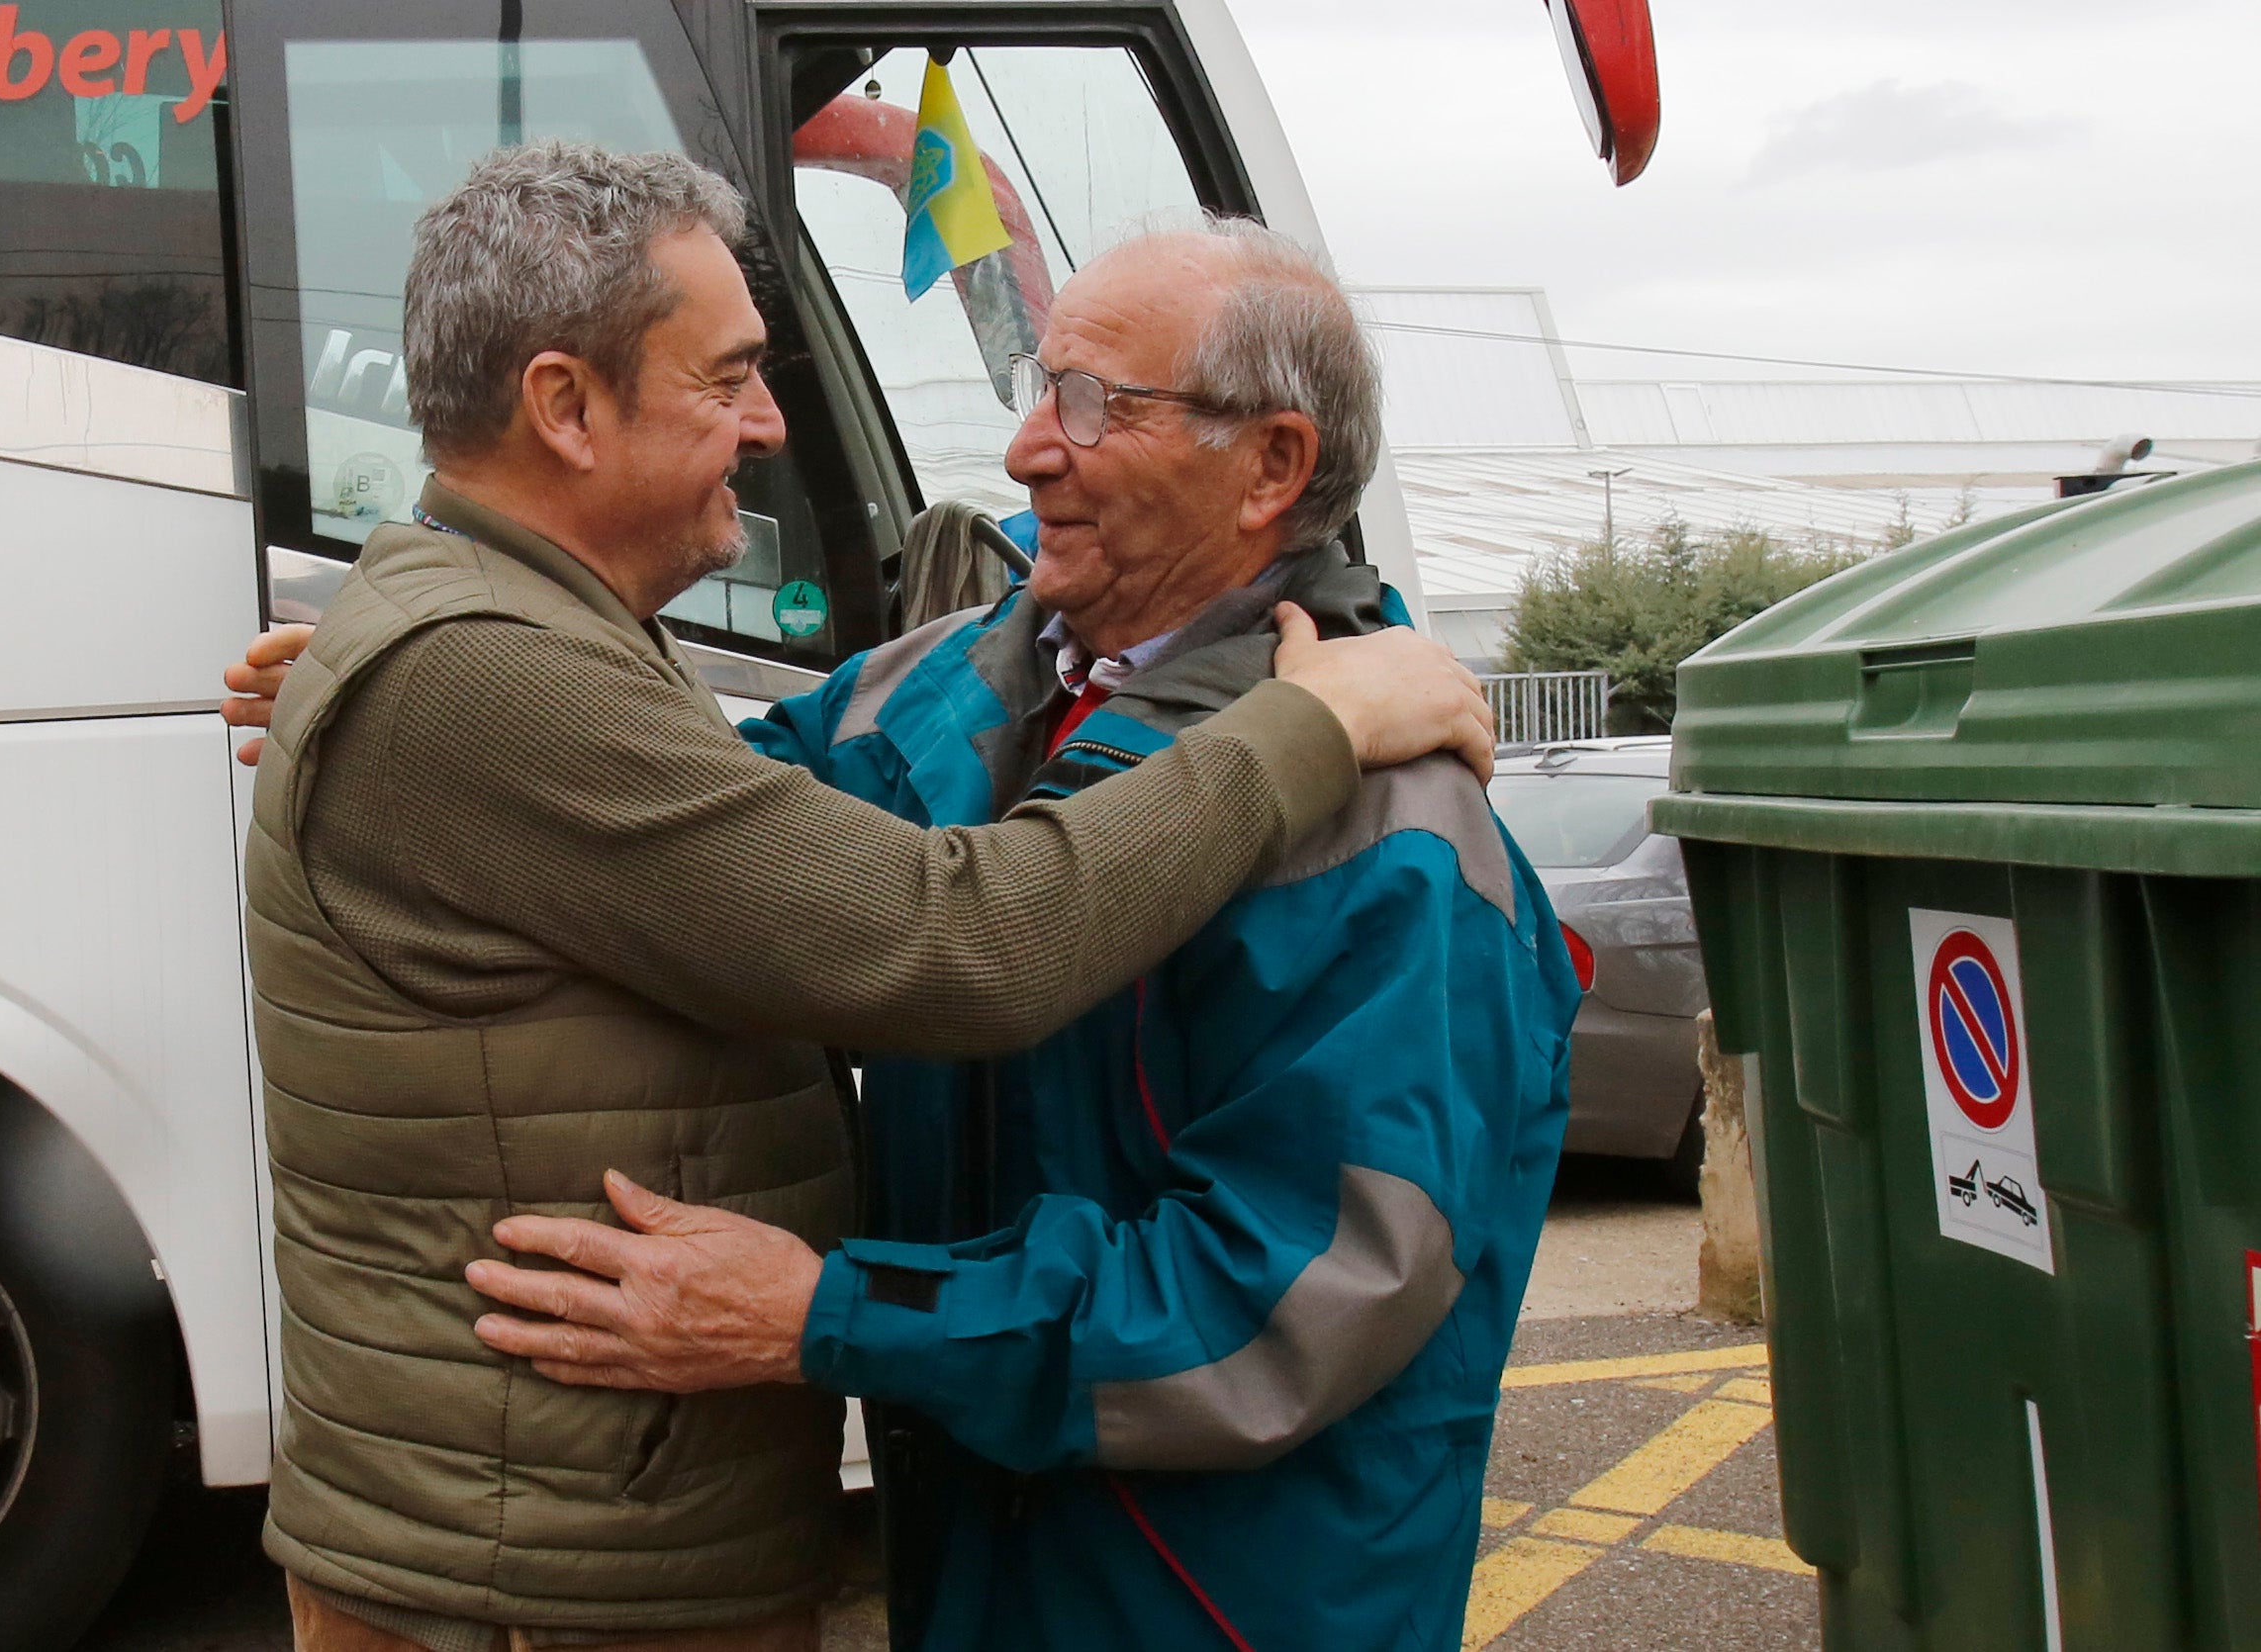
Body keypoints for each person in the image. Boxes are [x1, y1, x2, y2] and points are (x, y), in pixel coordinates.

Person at [231, 142, 1493, 1652]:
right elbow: (949, 935)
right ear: (565, 408)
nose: (1024, 453)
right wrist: (450, 706)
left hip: (1206, 1602)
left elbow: (1285, 1296)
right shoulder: (942, 695)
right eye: (728, 378)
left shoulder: (1391, 826)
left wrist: (839, 1314)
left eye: (1091, 403)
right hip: (602, 1572)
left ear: (1273, 466)